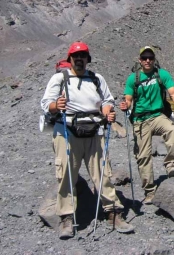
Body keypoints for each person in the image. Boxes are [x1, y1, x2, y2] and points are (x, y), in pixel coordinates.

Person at [41, 42, 134, 239]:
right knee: (65, 173)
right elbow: (46, 103)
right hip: (67, 131)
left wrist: (108, 110)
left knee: (103, 173)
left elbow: (107, 100)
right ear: (70, 59)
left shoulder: (96, 79)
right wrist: (56, 105)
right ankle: (67, 217)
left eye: (83, 55)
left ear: (88, 59)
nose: (79, 59)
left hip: (95, 131)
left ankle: (113, 212)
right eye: (76, 56)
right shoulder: (59, 78)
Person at [119, 46, 174, 205]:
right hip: (140, 119)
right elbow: (128, 98)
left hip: (158, 115)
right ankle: (149, 191)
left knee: (172, 129)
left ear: (154, 59)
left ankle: (171, 167)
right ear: (140, 60)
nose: (148, 60)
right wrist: (126, 104)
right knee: (143, 156)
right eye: (144, 58)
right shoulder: (133, 78)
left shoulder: (162, 74)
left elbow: (173, 92)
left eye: (150, 57)